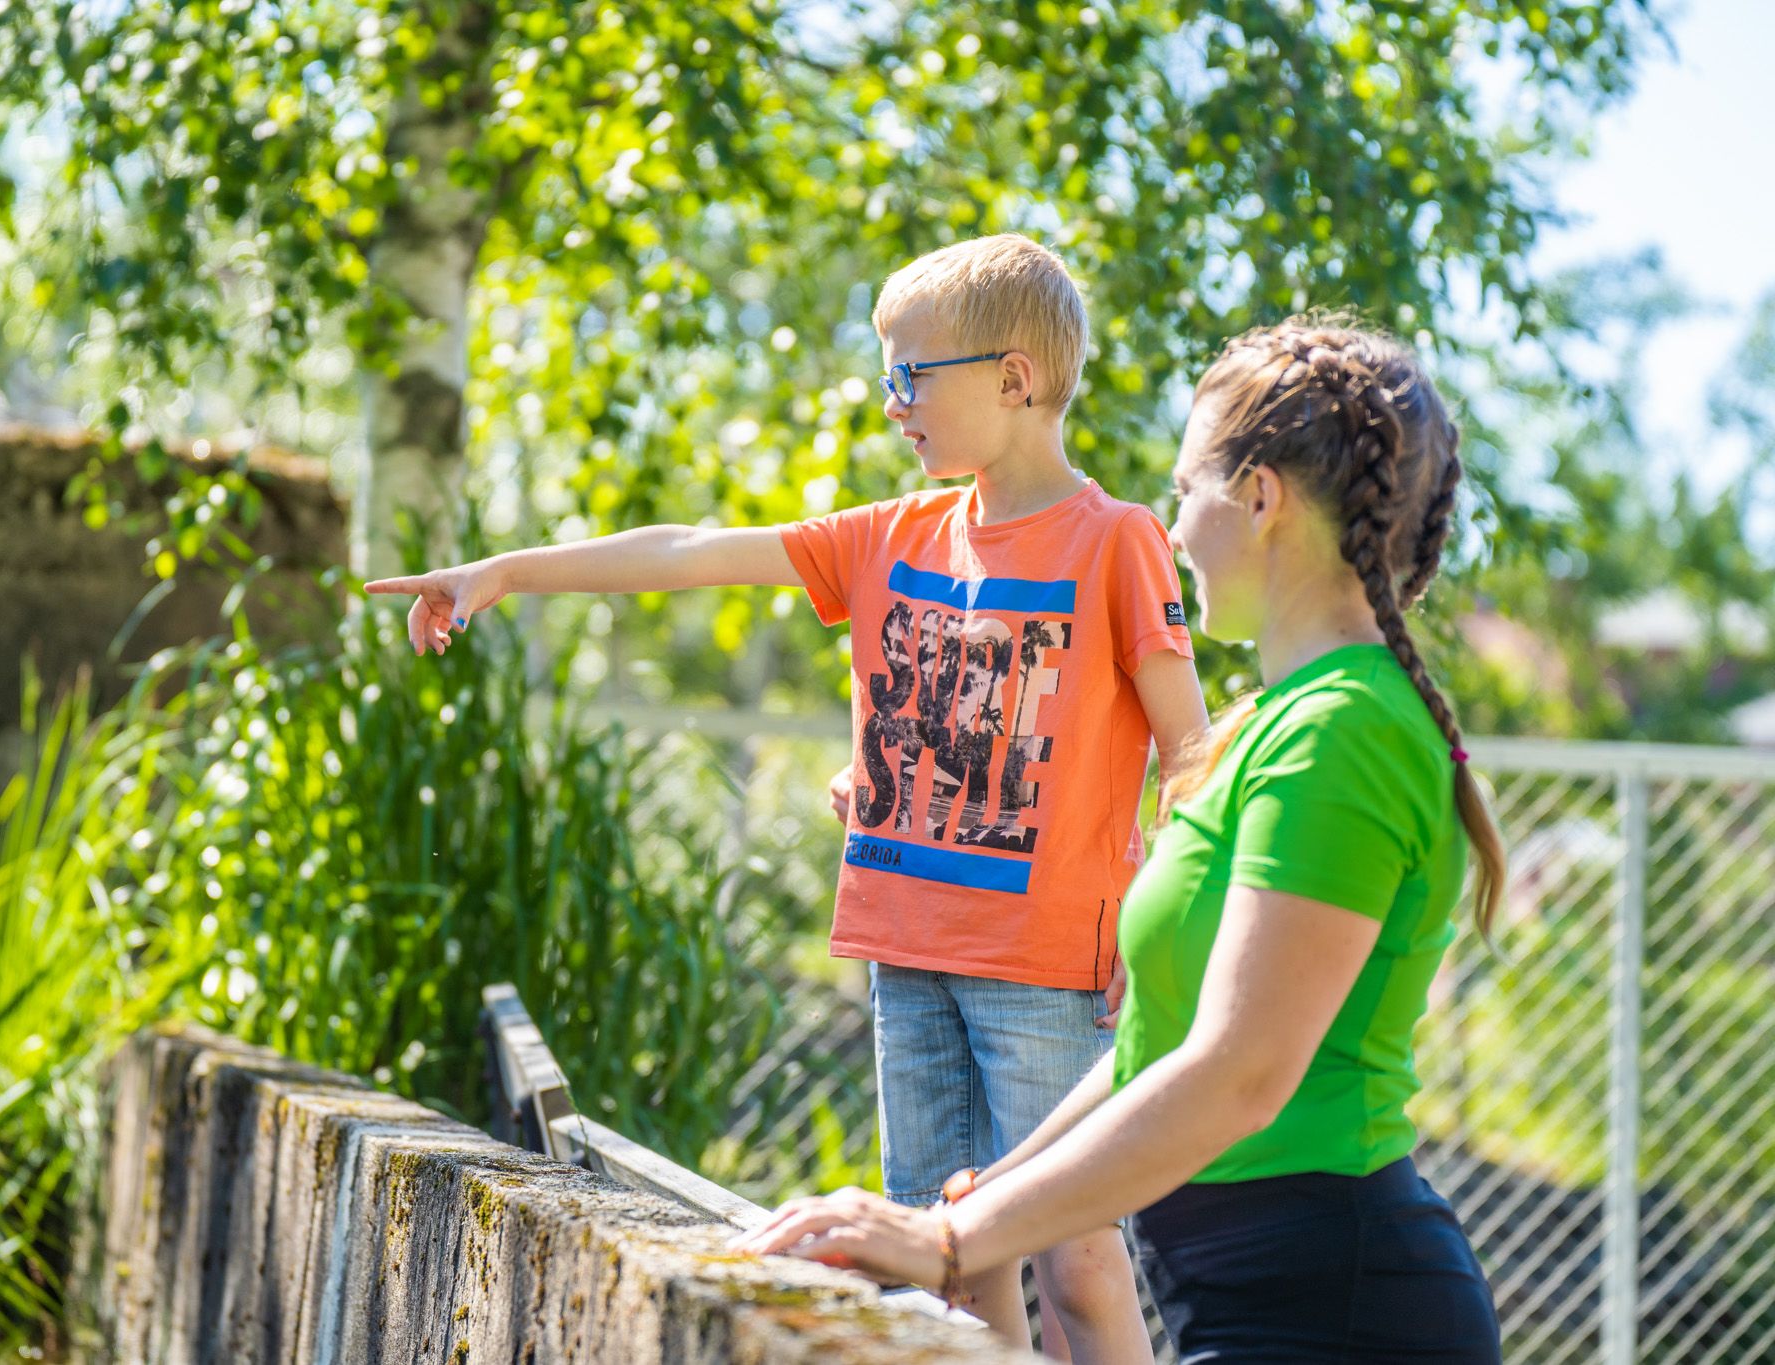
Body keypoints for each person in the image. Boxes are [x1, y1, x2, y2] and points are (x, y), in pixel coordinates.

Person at [365, 233, 1207, 1361]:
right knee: (949, 1272)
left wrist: (1156, 908)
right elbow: (691, 550)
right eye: (884, 377)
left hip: (1046, 973)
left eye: (912, 376)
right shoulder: (889, 535)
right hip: (904, 957)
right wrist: (505, 572)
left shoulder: (1115, 543)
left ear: (1012, 379)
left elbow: (1188, 751)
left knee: (1079, 1267)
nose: (892, 404)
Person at [730, 316, 1509, 1365]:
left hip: (1332, 1310)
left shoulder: (1346, 733)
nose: (1173, 526)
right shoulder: (1277, 723)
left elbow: (1237, 1074)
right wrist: (969, 1211)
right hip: (1240, 1295)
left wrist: (953, 1239)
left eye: (1187, 488)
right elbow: (1154, 1043)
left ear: (1261, 497)